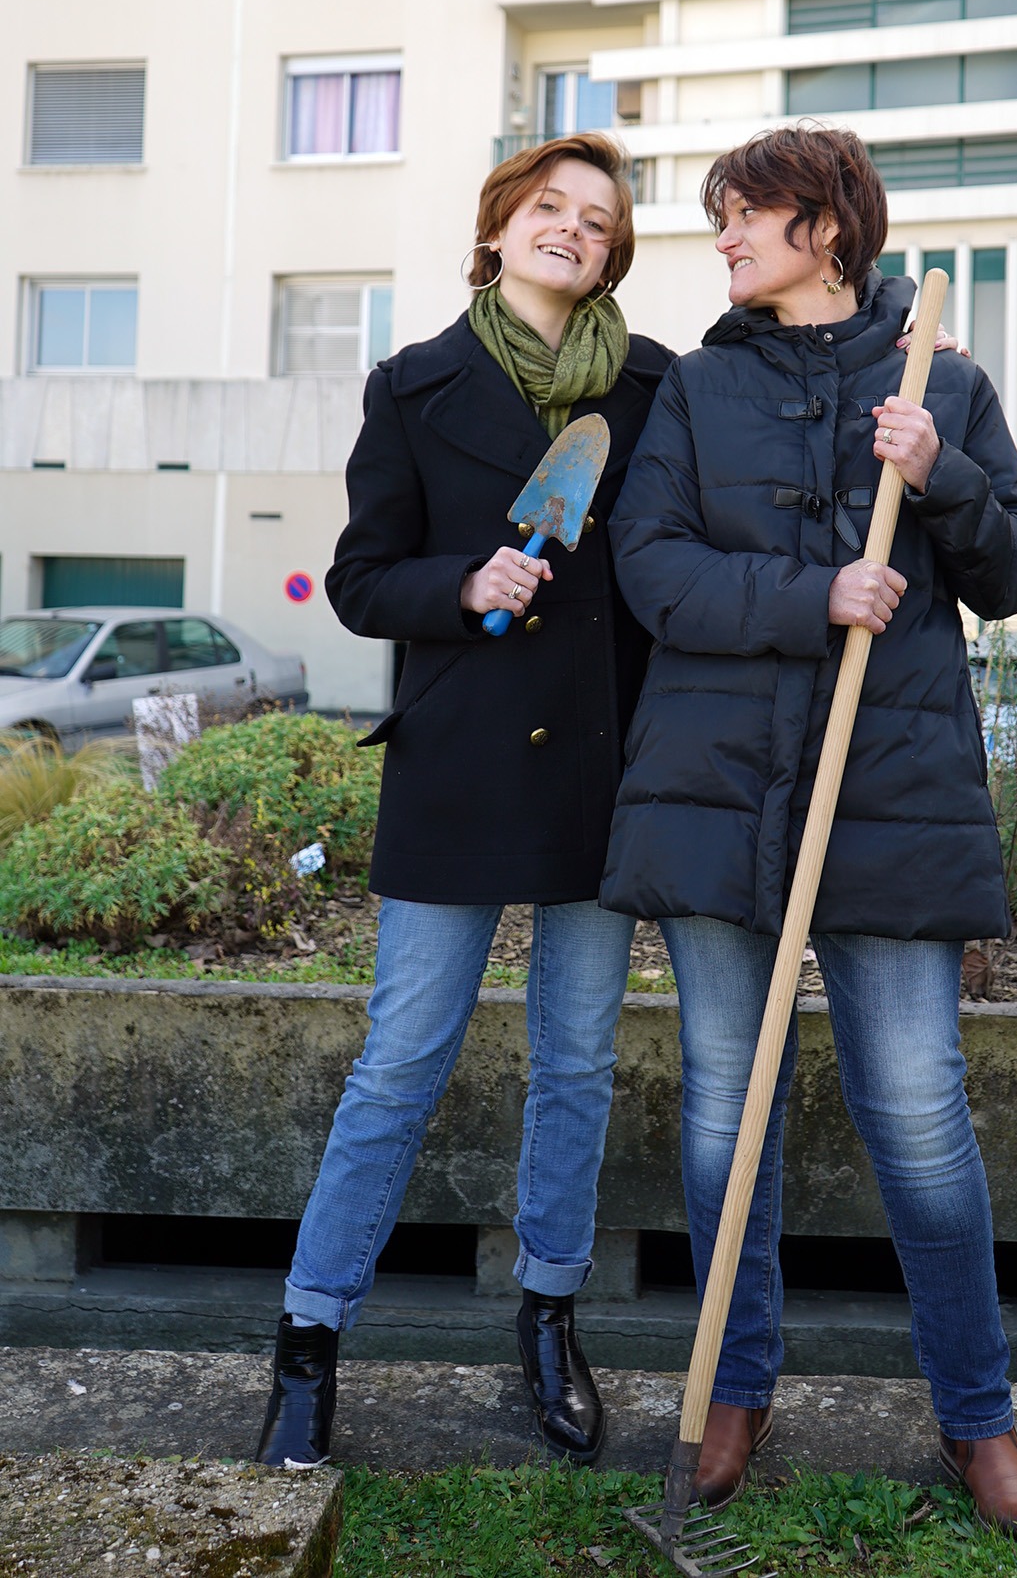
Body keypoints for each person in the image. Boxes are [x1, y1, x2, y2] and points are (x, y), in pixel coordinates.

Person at [600, 125, 1017, 1542]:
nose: (724, 240)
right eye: (721, 219)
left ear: (827, 227)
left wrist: (942, 479)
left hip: (890, 797)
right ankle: (732, 1389)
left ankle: (977, 1421)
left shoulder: (945, 383)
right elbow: (652, 567)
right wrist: (815, 600)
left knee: (920, 1116)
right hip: (718, 795)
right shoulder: (694, 388)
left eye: (745, 217)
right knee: (724, 1110)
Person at [254, 134, 673, 1470]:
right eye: (548, 208)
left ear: (614, 251)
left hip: (605, 774)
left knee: (579, 1062)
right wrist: (464, 587)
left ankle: (549, 1314)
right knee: (399, 1065)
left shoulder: (659, 388)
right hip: (459, 762)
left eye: (597, 219)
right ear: (497, 229)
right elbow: (361, 579)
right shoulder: (415, 383)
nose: (573, 229)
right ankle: (310, 1343)